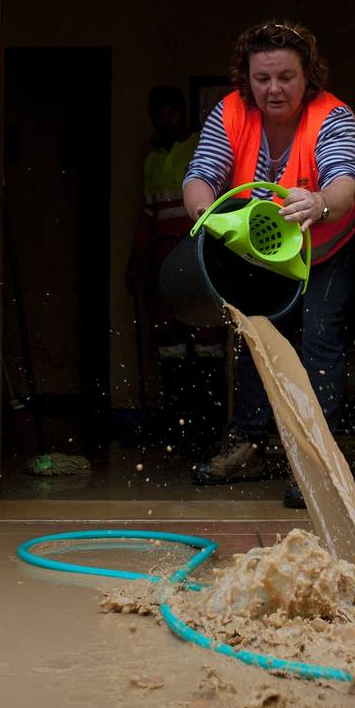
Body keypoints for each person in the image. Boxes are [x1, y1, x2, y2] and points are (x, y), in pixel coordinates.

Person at [182, 21, 355, 509]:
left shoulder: (334, 116)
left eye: (286, 76)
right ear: (247, 78)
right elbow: (202, 174)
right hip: (261, 252)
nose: (273, 89)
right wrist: (206, 217)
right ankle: (247, 448)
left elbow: (345, 182)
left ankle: (320, 462)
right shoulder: (232, 113)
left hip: (325, 248)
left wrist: (319, 202)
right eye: (262, 78)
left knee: (321, 340)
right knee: (258, 337)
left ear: (309, 76)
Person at [127, 86, 224, 450]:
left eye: (172, 113)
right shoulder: (152, 159)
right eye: (160, 115)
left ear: (183, 115)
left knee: (206, 342)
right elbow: (147, 216)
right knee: (168, 344)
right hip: (160, 265)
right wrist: (135, 263)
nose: (166, 120)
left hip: (197, 261)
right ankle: (177, 425)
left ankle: (209, 429)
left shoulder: (201, 147)